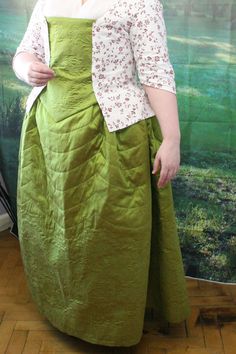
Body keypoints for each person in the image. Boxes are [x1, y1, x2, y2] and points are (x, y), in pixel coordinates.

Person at [12, 0, 191, 348]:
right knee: (55, 227)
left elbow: (155, 70)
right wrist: (28, 68)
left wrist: (171, 138)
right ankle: (62, 308)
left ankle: (111, 321)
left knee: (109, 230)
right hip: (49, 131)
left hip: (111, 133)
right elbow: (25, 50)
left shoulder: (138, 3)